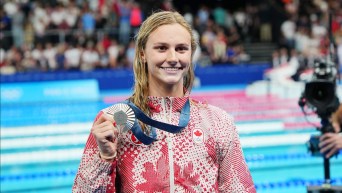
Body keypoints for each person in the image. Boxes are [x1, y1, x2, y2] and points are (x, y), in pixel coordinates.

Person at [72, 11, 256, 193]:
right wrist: (104, 157)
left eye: (181, 49)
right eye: (161, 48)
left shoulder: (217, 122)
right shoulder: (114, 120)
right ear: (143, 54)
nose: (173, 58)